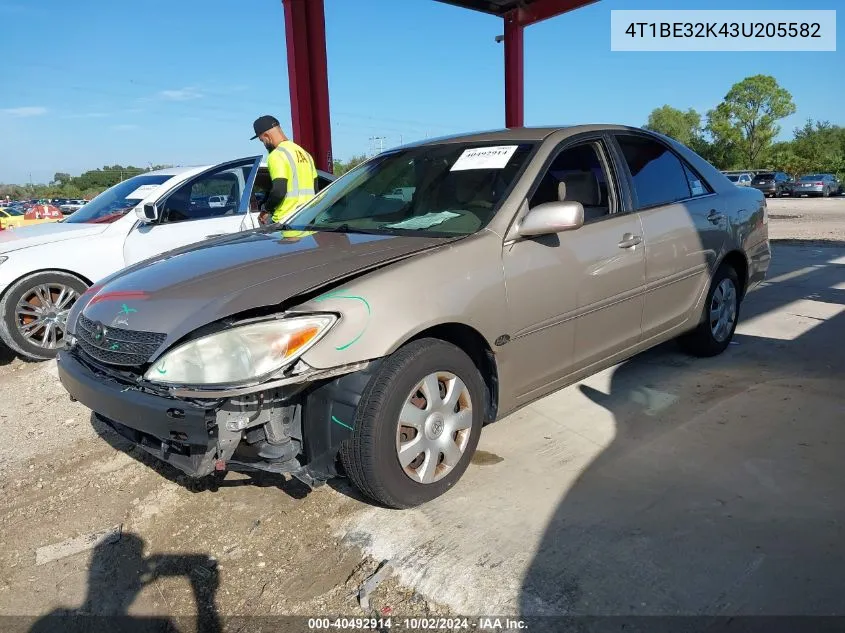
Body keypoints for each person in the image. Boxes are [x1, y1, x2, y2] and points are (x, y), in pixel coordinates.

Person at [251, 115, 318, 225]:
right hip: (308, 220)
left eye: (262, 140)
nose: (264, 144)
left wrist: (265, 209)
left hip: (286, 221)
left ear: (267, 136)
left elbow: (279, 191)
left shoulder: (277, 155)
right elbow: (315, 190)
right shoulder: (305, 154)